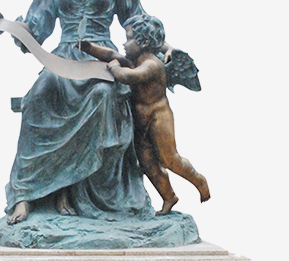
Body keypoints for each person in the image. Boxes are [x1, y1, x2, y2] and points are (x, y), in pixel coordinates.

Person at [3, 0, 152, 226]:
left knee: (103, 96)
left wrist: (162, 46)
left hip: (102, 61)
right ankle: (25, 194)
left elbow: (138, 22)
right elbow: (38, 24)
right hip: (63, 60)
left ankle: (80, 194)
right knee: (39, 96)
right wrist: (21, 32)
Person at [81, 14, 210, 215]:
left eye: (129, 38)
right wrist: (89, 48)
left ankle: (199, 180)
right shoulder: (134, 59)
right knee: (148, 163)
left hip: (159, 118)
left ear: (144, 42)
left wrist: (115, 67)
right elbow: (110, 53)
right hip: (140, 121)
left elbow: (129, 76)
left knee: (169, 159)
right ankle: (169, 196)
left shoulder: (152, 65)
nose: (124, 43)